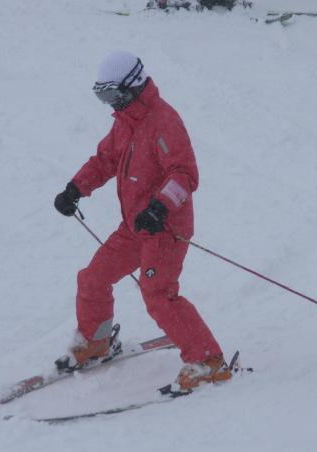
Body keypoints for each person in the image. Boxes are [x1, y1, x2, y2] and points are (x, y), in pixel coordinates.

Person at [53, 51, 231, 392]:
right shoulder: (125, 122)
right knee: (93, 278)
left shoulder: (164, 122)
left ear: (132, 86)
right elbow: (105, 159)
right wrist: (75, 188)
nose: (109, 102)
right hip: (135, 226)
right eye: (102, 95)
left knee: (158, 294)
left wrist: (161, 207)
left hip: (165, 229)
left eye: (111, 94)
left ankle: (207, 361)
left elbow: (184, 174)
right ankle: (96, 342)